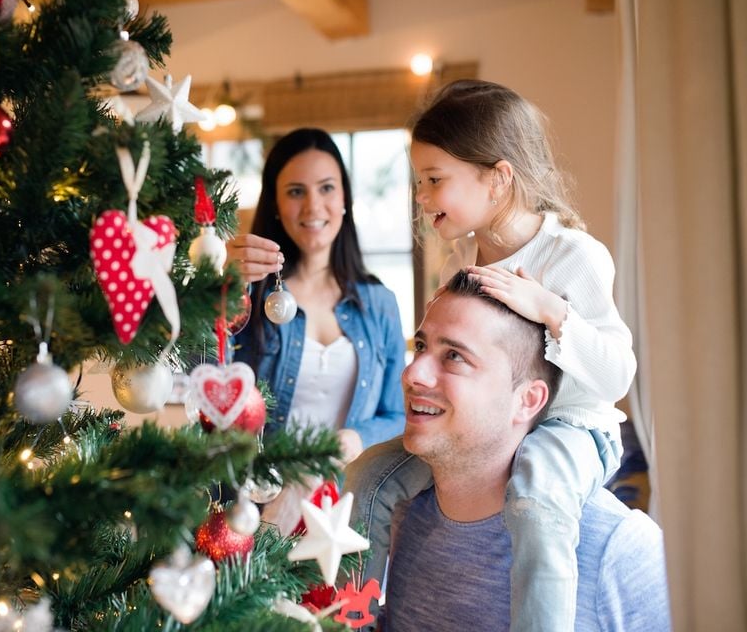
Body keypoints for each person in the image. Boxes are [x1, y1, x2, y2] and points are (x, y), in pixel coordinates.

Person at [345, 80, 637, 631]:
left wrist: (551, 310)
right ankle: (348, 618)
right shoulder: (457, 262)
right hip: (484, 430)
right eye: (417, 181)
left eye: (434, 180)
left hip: (570, 428)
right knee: (368, 478)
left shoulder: (572, 255)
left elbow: (617, 374)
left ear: (498, 178)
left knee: (537, 500)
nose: (421, 196)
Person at [371, 271, 669, 631]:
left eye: (453, 356)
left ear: (528, 401)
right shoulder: (403, 515)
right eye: (421, 347)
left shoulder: (618, 550)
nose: (413, 373)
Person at [226, 128, 406, 466]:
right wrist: (223, 287)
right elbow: (207, 377)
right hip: (261, 501)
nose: (313, 206)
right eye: (296, 191)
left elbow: (399, 414)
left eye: (326, 188)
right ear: (276, 205)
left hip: (349, 502)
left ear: (344, 200)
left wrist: (359, 437)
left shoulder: (380, 303)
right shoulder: (252, 293)